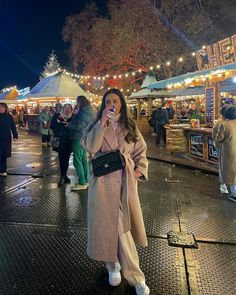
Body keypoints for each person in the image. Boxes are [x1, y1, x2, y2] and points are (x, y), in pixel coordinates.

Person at [82, 88, 150, 295]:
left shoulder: (129, 126)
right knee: (108, 228)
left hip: (125, 185)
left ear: (122, 104)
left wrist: (140, 170)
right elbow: (91, 148)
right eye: (108, 101)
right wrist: (102, 122)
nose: (112, 104)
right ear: (103, 105)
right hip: (102, 186)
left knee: (122, 230)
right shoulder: (95, 125)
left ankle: (135, 276)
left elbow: (141, 151)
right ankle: (114, 267)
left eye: (116, 100)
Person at [67, 95, 94, 191]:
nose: (76, 103)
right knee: (83, 159)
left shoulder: (83, 113)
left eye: (77, 102)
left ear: (81, 102)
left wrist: (69, 125)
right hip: (84, 138)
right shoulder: (89, 111)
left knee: (77, 160)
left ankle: (82, 182)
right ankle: (86, 181)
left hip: (78, 138)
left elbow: (79, 126)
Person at [214, 104, 236, 203]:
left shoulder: (224, 125)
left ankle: (233, 194)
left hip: (228, 152)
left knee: (230, 172)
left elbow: (219, 139)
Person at [50, 103, 73, 187]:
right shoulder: (57, 116)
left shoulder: (73, 117)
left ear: (71, 109)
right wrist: (61, 126)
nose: (67, 109)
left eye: (69, 107)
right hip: (60, 140)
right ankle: (62, 176)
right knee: (61, 158)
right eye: (65, 107)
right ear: (63, 109)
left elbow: (75, 127)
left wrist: (69, 126)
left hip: (69, 141)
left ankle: (65, 175)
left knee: (66, 159)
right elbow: (52, 126)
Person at [212, 104, 229, 194]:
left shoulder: (223, 121)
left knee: (224, 165)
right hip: (222, 147)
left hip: (223, 147)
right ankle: (223, 185)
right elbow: (217, 137)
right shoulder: (221, 123)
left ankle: (226, 183)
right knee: (222, 165)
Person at [0, 103, 18, 176]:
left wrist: (15, 135)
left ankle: (3, 170)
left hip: (6, 138)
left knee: (4, 155)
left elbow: (13, 127)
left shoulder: (9, 117)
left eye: (2, 107)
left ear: (5, 108)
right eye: (0, 107)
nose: (1, 109)